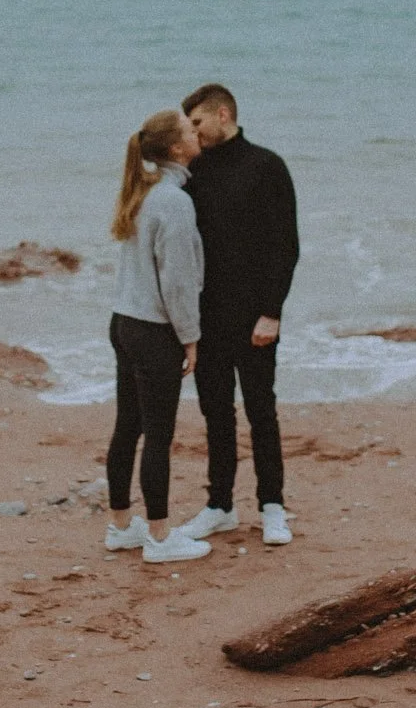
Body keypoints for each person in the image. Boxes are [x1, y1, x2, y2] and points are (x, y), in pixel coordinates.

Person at [171, 84, 300, 547]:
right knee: (215, 413)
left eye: (198, 124)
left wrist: (272, 312)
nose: (194, 134)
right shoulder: (193, 172)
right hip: (206, 317)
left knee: (261, 410)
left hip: (254, 317)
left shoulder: (267, 167)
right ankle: (220, 506)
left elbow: (286, 246)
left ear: (222, 115)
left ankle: (273, 507)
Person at [102, 108, 214, 564]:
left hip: (123, 322)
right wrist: (191, 337)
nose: (197, 130)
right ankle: (161, 538)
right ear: (176, 148)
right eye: (190, 129)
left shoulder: (146, 191)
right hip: (152, 330)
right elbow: (179, 283)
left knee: (127, 429)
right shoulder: (173, 201)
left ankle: (121, 527)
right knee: (158, 435)